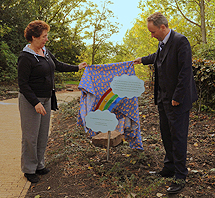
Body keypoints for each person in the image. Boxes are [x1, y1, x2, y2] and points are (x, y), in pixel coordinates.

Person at [133, 12, 198, 194]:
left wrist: (177, 96)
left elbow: (185, 71)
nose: (151, 35)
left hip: (177, 100)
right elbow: (158, 56)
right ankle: (169, 167)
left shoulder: (180, 41)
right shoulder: (163, 43)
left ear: (163, 27)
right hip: (163, 99)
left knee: (178, 137)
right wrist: (142, 60)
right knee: (166, 134)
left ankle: (180, 175)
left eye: (153, 32)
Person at [18, 20, 87, 183]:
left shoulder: (45, 51)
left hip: (47, 99)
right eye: (44, 36)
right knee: (30, 136)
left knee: (42, 135)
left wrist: (77, 67)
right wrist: (35, 102)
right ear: (33, 37)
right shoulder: (26, 57)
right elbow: (22, 84)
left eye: (46, 36)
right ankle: (29, 169)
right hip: (31, 102)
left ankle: (39, 165)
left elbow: (57, 65)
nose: (46, 39)